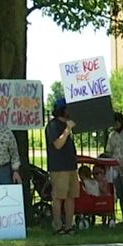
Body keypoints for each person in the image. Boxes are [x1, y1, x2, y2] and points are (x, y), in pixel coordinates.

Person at [45, 99, 79, 234]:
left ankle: (69, 226)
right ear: (63, 110)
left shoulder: (66, 124)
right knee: (59, 197)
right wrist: (67, 130)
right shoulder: (53, 126)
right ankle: (58, 226)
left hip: (71, 166)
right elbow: (58, 145)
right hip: (59, 167)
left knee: (71, 196)